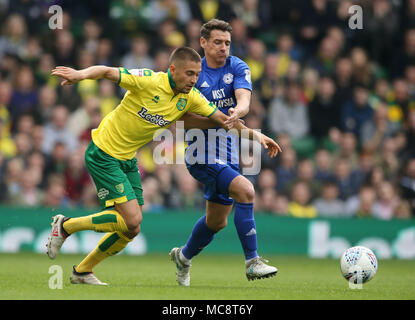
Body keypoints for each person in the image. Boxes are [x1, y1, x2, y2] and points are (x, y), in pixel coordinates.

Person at [47, 46, 281, 285]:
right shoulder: (148, 81)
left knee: (131, 230)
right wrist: (80, 74)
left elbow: (224, 120)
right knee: (131, 220)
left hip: (127, 158)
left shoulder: (190, 97)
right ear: (173, 69)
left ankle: (83, 271)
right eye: (189, 73)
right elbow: (108, 72)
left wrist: (256, 136)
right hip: (103, 152)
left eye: (197, 74)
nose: (194, 80)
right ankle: (65, 226)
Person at [169, 19, 281, 287]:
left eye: (227, 43)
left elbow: (243, 101)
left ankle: (183, 258)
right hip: (199, 153)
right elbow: (179, 120)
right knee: (247, 191)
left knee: (216, 221)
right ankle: (253, 262)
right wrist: (219, 119)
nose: (223, 48)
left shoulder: (237, 66)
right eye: (217, 42)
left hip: (226, 151)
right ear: (203, 42)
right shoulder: (192, 72)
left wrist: (244, 120)